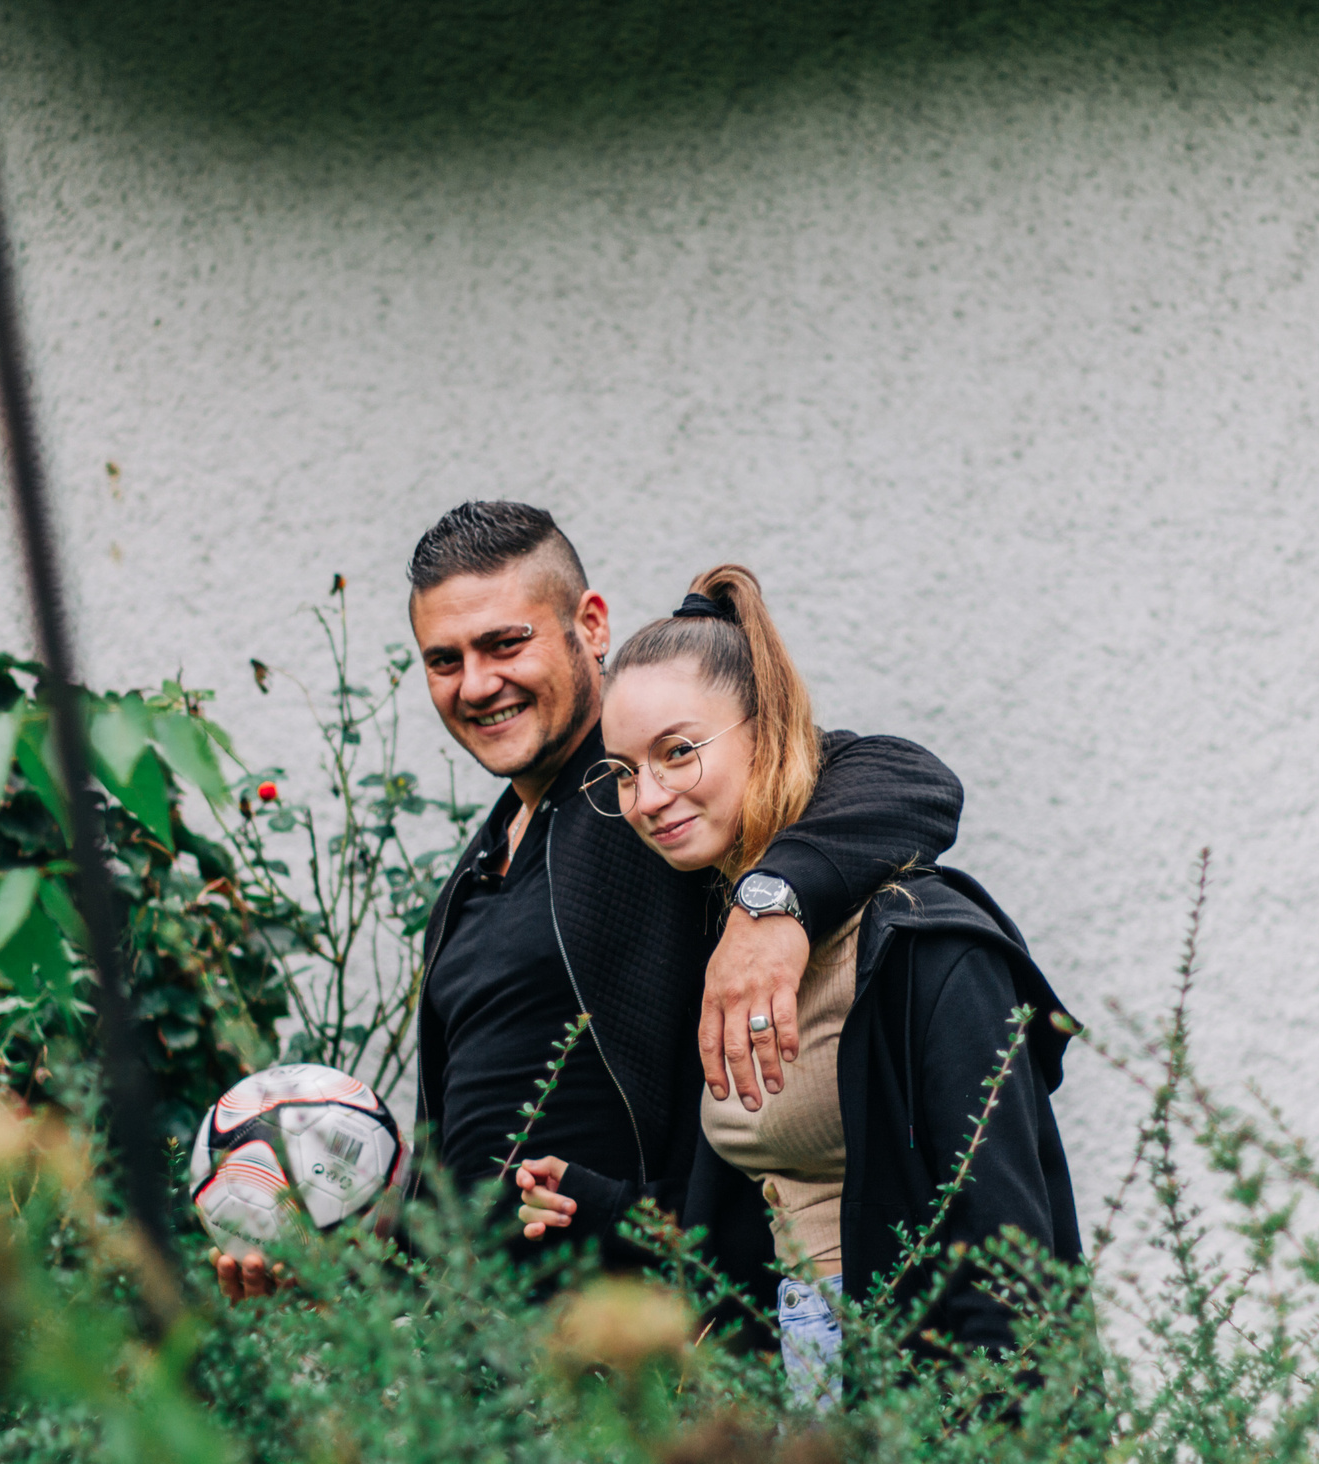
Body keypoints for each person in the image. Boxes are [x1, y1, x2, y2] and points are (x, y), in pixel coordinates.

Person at [213, 504, 964, 1299]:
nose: (476, 683)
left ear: (591, 625)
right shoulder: (473, 881)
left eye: (506, 643)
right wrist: (347, 1245)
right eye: (445, 659)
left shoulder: (648, 808)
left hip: (657, 1353)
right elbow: (469, 1177)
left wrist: (768, 907)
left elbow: (909, 778)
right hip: (498, 1371)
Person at [513, 564, 1078, 1403]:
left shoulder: (923, 951)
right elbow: (761, 1221)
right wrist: (604, 1209)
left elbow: (1007, 1265)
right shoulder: (712, 928)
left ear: (765, 728)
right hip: (797, 1386)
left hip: (919, 1402)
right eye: (624, 771)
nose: (647, 797)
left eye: (677, 751)